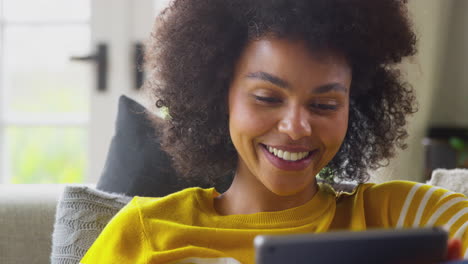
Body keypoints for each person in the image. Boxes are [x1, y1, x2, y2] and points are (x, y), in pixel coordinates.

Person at [80, 0, 468, 263]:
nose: (296, 127)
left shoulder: (406, 217)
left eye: (324, 105)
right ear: (220, 95)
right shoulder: (144, 232)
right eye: (267, 97)